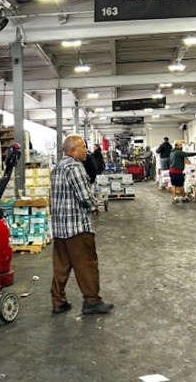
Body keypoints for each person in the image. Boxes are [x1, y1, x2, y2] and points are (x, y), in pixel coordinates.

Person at [50, 135, 114, 315]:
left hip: (60, 228)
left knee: (61, 266)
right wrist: (95, 205)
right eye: (83, 147)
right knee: (87, 264)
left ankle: (58, 301)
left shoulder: (58, 167)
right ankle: (92, 301)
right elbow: (84, 196)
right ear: (72, 150)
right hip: (77, 227)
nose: (86, 150)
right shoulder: (75, 167)